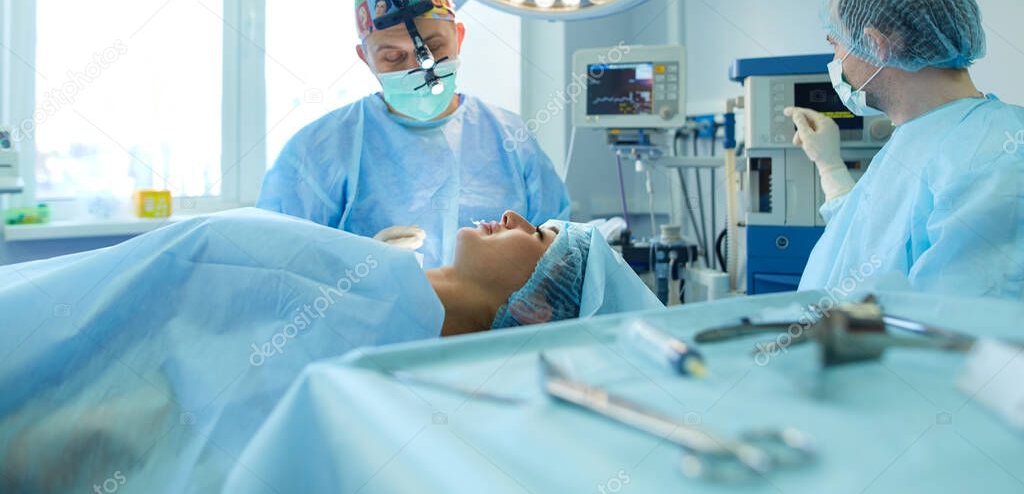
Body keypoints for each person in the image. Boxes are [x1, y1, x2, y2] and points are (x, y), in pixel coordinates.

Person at [0, 207, 658, 493]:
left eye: (540, 236)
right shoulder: (375, 286)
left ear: (540, 306)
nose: (515, 217)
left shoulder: (383, 371)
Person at [257, 0, 570, 268]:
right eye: (393, 56)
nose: (421, 67)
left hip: (502, 322)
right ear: (365, 58)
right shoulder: (318, 151)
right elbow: (281, 268)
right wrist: (358, 273)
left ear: (459, 37)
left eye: (434, 46)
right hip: (374, 321)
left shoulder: (510, 138)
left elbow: (557, 261)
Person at [784, 0, 1024, 298]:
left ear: (876, 44)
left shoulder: (992, 158)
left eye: (835, 44)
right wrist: (830, 167)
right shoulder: (925, 136)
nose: (835, 61)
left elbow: (960, 332)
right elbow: (869, 245)